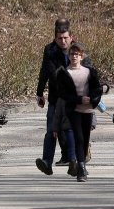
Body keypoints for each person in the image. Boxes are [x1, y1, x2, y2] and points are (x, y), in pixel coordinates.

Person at [35, 19, 88, 176]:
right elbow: (45, 71)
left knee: (71, 129)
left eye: (65, 38)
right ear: (55, 38)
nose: (63, 41)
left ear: (71, 36)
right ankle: (46, 162)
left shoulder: (78, 50)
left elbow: (89, 69)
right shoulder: (50, 50)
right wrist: (39, 93)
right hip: (56, 97)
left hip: (74, 99)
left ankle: (73, 161)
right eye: (59, 38)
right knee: (51, 129)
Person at [55, 42, 104, 182]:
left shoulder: (89, 71)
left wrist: (93, 98)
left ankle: (81, 163)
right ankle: (81, 169)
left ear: (81, 56)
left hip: (88, 110)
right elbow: (63, 94)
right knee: (79, 138)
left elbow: (97, 89)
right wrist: (78, 99)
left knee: (86, 138)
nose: (74, 56)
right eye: (72, 54)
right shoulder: (64, 72)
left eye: (77, 54)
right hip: (74, 109)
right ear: (69, 56)